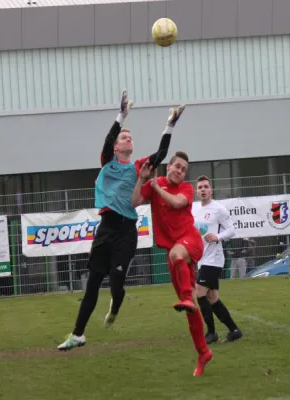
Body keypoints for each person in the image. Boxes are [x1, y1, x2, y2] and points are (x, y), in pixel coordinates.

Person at [58, 90, 185, 351]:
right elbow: (106, 141)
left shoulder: (138, 166)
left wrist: (169, 125)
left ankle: (115, 306)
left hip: (127, 231)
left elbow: (161, 154)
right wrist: (121, 116)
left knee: (116, 284)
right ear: (117, 146)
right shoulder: (107, 162)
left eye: (130, 137)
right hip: (107, 228)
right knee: (93, 282)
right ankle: (78, 333)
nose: (127, 139)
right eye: (123, 137)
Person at [132, 152, 213, 377]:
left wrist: (156, 187)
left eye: (183, 169)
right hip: (173, 253)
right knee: (191, 308)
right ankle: (203, 352)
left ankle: (187, 296)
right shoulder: (155, 183)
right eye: (177, 166)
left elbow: (177, 203)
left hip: (190, 241)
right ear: (168, 166)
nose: (179, 171)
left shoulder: (185, 188)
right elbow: (135, 201)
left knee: (177, 256)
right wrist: (142, 179)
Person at [192, 175, 243, 344]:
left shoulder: (219, 209)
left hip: (214, 259)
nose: (203, 189)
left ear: (211, 190)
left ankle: (211, 333)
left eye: (206, 186)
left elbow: (232, 230)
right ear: (197, 191)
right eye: (200, 187)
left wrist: (218, 236)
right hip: (202, 258)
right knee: (212, 298)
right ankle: (234, 330)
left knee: (199, 292)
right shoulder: (194, 209)